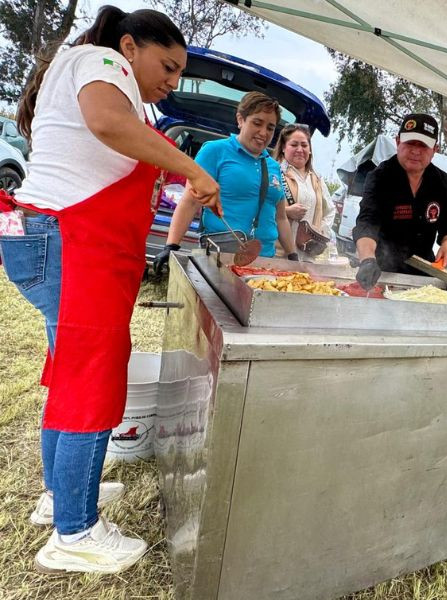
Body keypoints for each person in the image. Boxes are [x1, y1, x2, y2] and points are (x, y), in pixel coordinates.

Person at [0, 7, 219, 574]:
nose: (170, 83)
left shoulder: (75, 66)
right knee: (93, 379)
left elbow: (111, 147)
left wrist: (174, 170)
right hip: (72, 240)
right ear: (129, 45)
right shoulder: (103, 61)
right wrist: (193, 170)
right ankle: (75, 532)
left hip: (47, 236)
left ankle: (59, 497)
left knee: (72, 370)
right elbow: (107, 124)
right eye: (167, 66)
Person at [154, 92, 297, 273]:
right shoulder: (215, 151)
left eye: (270, 127)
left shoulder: (274, 166)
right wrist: (171, 246)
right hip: (219, 257)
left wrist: (293, 256)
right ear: (240, 119)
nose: (264, 133)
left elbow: (281, 217)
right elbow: (190, 201)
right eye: (257, 123)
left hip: (265, 262)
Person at [353, 113, 447, 289]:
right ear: (398, 142)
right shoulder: (380, 176)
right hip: (382, 272)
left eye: (423, 146)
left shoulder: (440, 180)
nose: (416, 151)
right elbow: (367, 222)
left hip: (423, 275)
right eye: (410, 143)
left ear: (435, 150)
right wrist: (367, 260)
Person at [272, 124, 335, 259]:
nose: (300, 150)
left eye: (304, 145)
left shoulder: (317, 179)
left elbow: (330, 211)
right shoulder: (274, 172)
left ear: (310, 150)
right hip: (278, 255)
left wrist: (319, 230)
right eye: (294, 145)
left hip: (307, 256)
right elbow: (261, 206)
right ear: (283, 147)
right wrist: (287, 212)